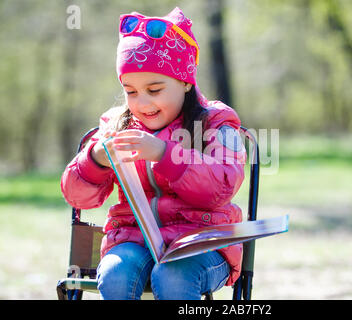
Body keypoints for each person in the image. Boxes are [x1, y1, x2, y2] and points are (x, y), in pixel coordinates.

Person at [61, 7, 246, 300]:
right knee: (115, 275)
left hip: (202, 243)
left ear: (186, 82)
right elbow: (77, 196)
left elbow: (221, 186)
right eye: (130, 91)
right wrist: (95, 158)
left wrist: (164, 153)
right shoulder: (117, 124)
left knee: (172, 276)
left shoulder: (215, 123)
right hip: (133, 239)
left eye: (155, 89)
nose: (142, 102)